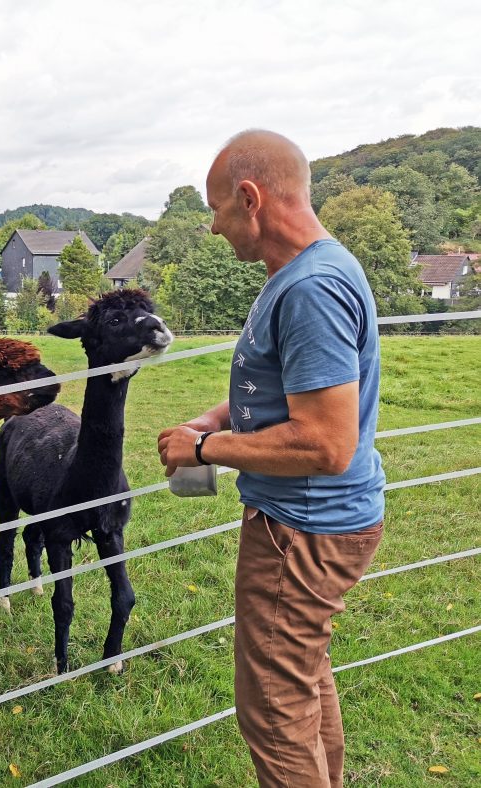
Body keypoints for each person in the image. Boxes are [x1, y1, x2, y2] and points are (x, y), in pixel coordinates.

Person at [157, 130, 385, 788]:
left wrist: (204, 448)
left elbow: (325, 443)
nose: (212, 226)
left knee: (273, 711)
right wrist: (219, 416)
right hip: (310, 524)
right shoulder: (302, 274)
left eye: (217, 209)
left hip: (301, 532)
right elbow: (288, 395)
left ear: (250, 199)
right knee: (300, 681)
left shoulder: (311, 288)